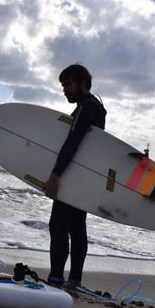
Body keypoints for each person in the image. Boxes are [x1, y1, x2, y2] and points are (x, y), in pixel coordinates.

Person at [44, 63, 106, 288]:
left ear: (82, 83)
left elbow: (73, 140)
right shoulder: (96, 107)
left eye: (68, 84)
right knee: (77, 228)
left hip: (72, 176)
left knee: (58, 225)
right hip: (83, 179)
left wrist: (55, 175)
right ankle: (74, 280)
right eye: (63, 85)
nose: (64, 90)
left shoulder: (87, 107)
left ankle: (56, 279)